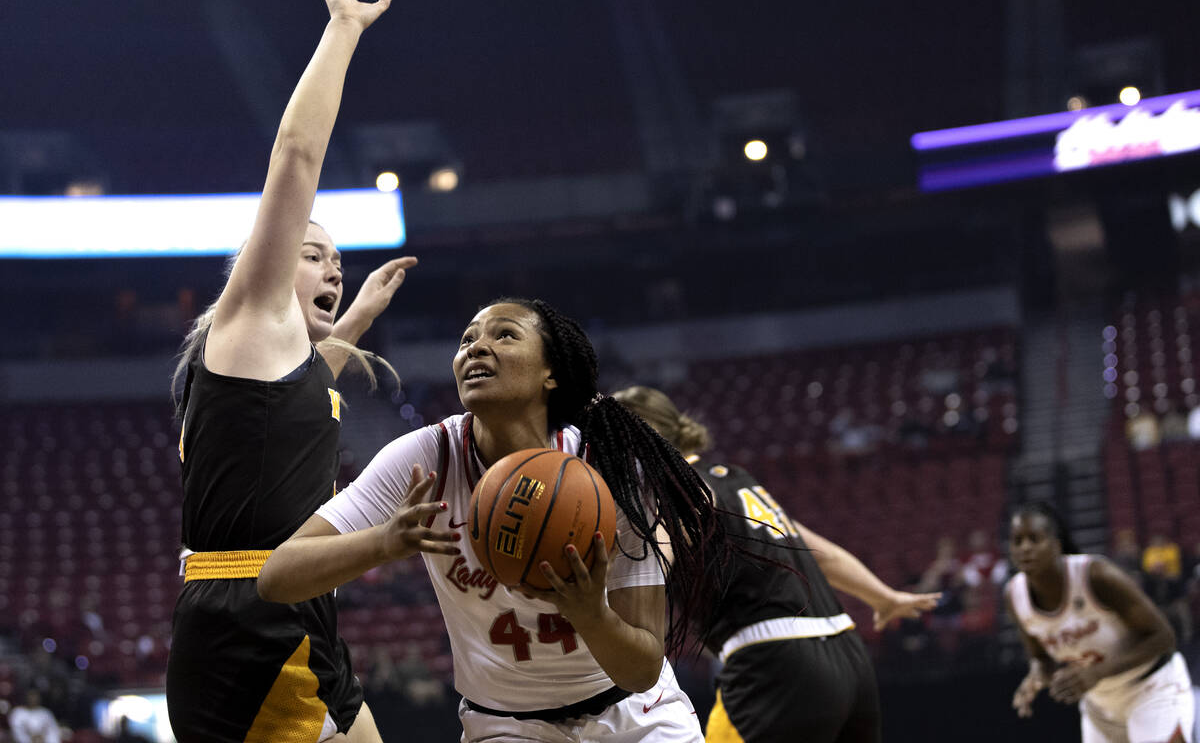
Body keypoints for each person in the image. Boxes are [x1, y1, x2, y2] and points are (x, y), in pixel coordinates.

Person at [258, 298, 733, 743]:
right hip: (506, 725)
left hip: (633, 715)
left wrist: (592, 616)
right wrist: (383, 542)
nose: (476, 346)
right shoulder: (426, 456)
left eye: (505, 335)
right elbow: (277, 578)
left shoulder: (611, 468)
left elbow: (641, 669)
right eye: (467, 340)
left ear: (551, 373)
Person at [165, 0, 412, 743]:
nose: (333, 264)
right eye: (313, 252)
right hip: (250, 615)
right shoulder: (248, 318)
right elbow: (296, 159)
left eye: (336, 259)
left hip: (293, 606)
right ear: (263, 266)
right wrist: (341, 33)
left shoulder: (270, 367)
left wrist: (357, 321)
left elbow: (307, 391)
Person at [612, 385, 941, 743]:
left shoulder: (677, 490)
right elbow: (819, 552)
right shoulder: (737, 479)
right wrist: (882, 597)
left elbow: (651, 564)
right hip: (849, 655)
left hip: (776, 664)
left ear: (643, 440)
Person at [1006, 502, 1195, 742]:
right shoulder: (1014, 596)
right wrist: (1035, 677)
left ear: (1056, 544)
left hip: (1151, 688)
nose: (1025, 548)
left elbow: (1164, 637)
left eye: (1034, 539)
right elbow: (1041, 657)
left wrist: (1097, 672)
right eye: (1017, 541)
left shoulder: (1095, 575)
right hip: (1100, 704)